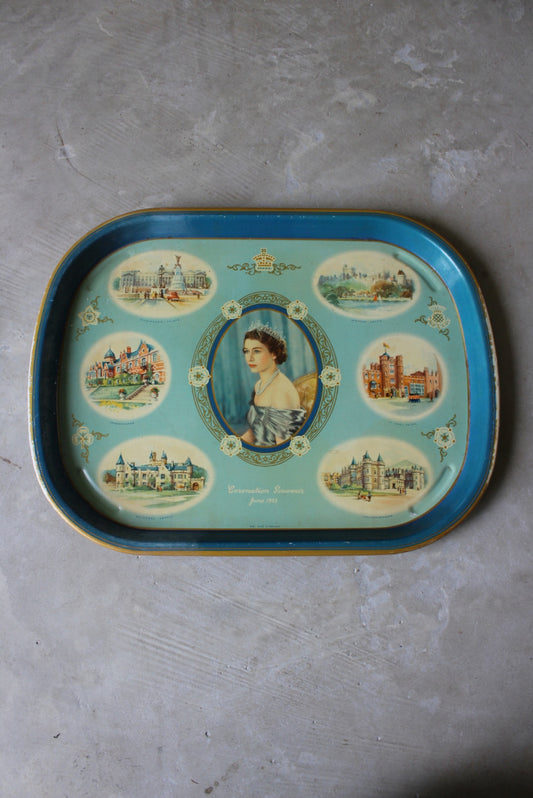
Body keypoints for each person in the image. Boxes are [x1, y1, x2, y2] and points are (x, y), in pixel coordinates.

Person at [240, 323, 306, 447]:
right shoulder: (259, 385)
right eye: (246, 351)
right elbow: (254, 430)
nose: (250, 358)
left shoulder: (281, 391)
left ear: (273, 353)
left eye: (257, 351)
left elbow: (283, 447)